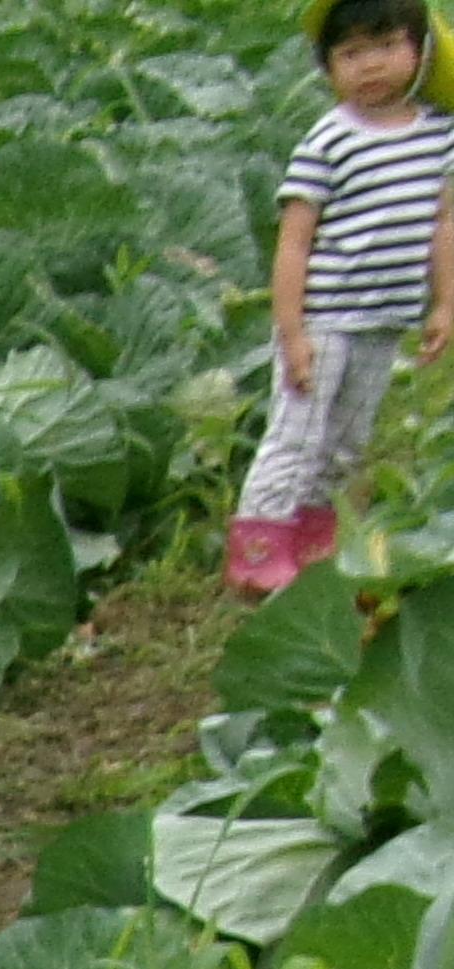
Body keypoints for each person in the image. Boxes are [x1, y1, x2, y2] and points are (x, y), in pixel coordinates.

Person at [235, 0, 454, 595]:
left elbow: (442, 223)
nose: (371, 66)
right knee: (297, 434)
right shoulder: (328, 139)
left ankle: (310, 543)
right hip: (324, 318)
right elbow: (293, 244)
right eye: (351, 54)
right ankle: (256, 554)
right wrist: (292, 331)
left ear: (421, 50)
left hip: (384, 321)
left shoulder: (438, 133)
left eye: (386, 47)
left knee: (347, 440)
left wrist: (443, 303)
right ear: (327, 67)